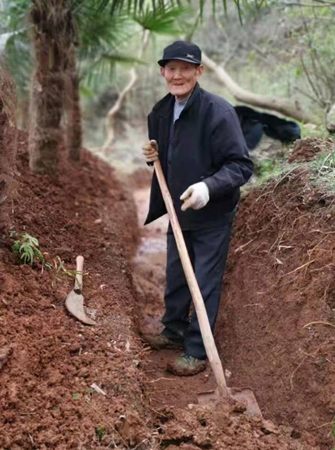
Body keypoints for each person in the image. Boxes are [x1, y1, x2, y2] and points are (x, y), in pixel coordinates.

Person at [141, 41, 253, 376]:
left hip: (212, 214)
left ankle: (196, 349)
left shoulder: (219, 112)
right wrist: (153, 158)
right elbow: (168, 158)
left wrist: (208, 187)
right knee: (176, 274)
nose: (177, 75)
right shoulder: (159, 113)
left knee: (203, 280)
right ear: (162, 72)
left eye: (185, 69)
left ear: (198, 72)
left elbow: (241, 166)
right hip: (178, 213)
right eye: (171, 69)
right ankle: (173, 329)